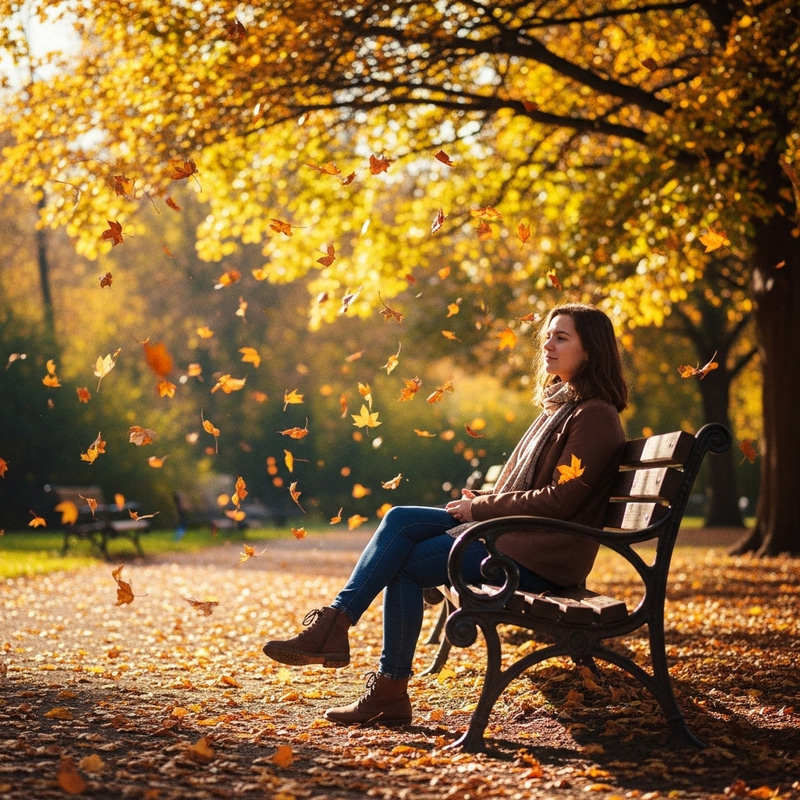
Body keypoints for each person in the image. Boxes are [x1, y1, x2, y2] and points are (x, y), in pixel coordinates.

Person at [262, 303, 629, 727]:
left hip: (539, 558)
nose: (547, 343)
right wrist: (487, 500)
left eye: (561, 337)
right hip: (516, 539)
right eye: (547, 334)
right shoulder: (563, 408)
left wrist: (481, 507)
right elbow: (537, 492)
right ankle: (340, 630)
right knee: (400, 518)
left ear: (592, 351)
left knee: (404, 566)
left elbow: (559, 500)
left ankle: (379, 680)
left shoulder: (594, 415)